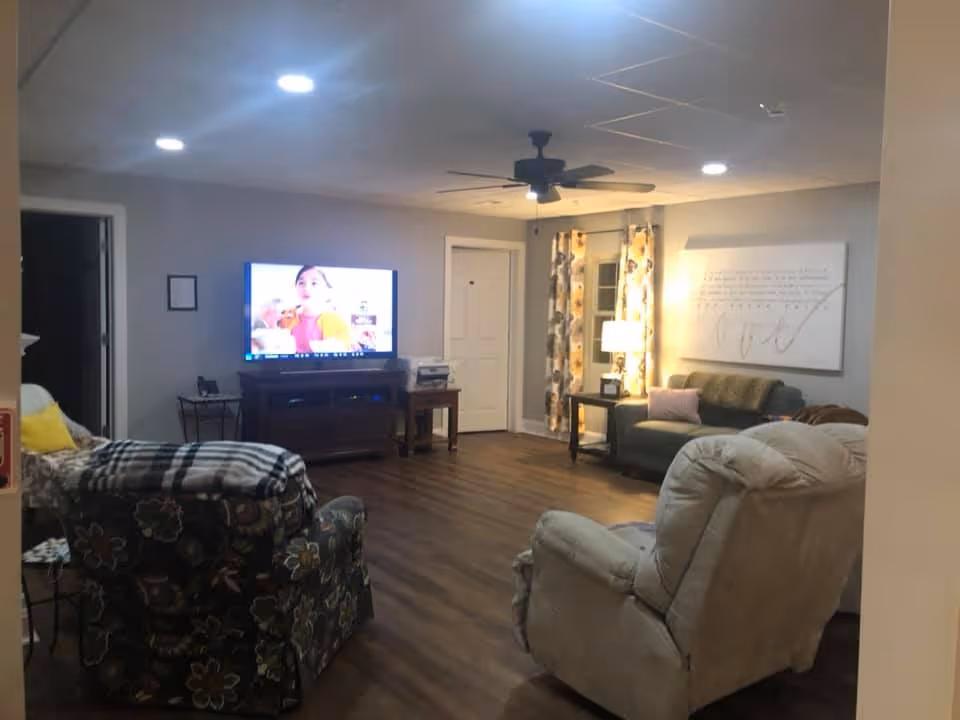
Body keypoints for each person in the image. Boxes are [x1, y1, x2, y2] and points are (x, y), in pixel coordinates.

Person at [279, 266, 353, 353]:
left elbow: (347, 347)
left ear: (326, 290)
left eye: (314, 283)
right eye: (301, 283)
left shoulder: (337, 320)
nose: (306, 288)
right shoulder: (287, 318)